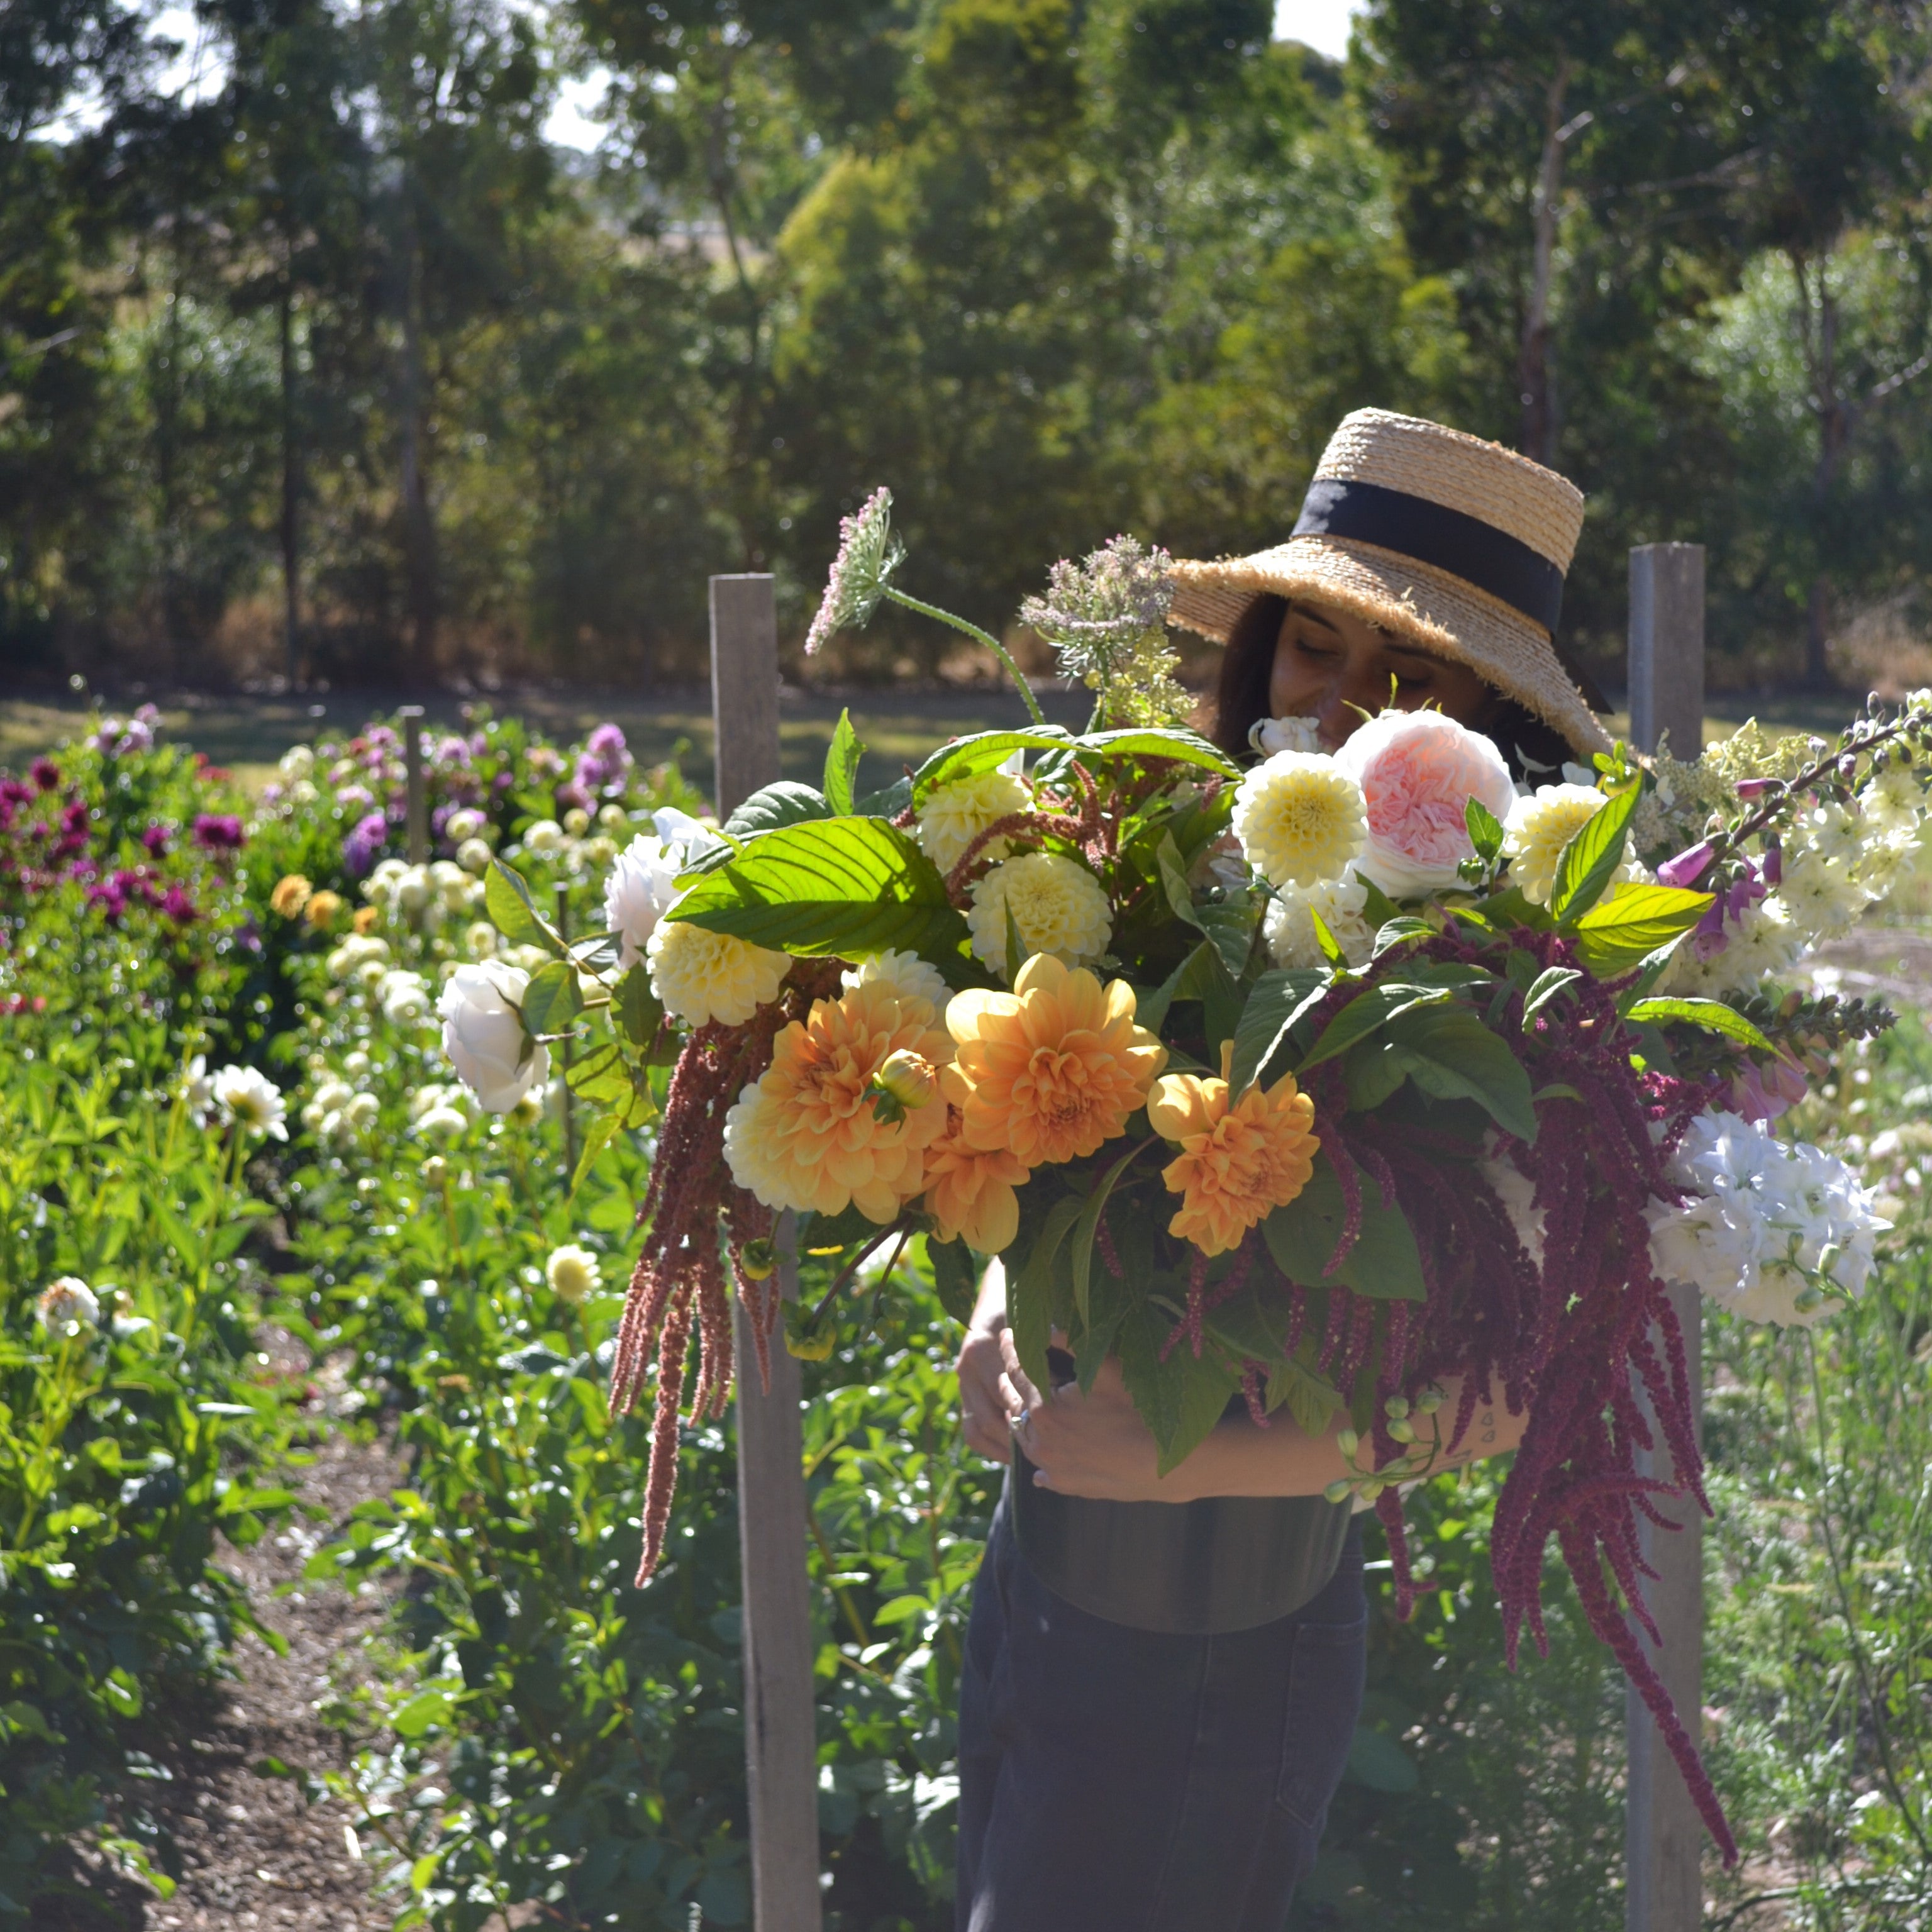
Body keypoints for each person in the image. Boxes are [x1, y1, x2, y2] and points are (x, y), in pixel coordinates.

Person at [952, 409, 1617, 1931]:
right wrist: (1004, 1298)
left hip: (1225, 1642)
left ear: (1490, 731)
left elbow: (1504, 1394)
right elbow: (1058, 1126)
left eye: (1413, 681)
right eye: (1313, 646)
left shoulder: (1510, 985)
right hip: (1041, 1578)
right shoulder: (1162, 851)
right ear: (1258, 652)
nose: (1343, 705)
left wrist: (1192, 1459)